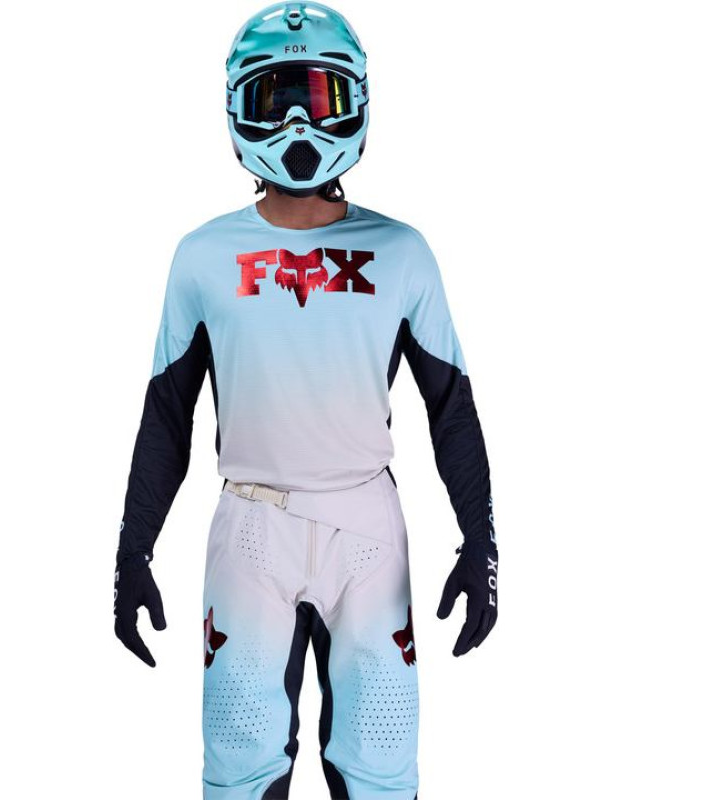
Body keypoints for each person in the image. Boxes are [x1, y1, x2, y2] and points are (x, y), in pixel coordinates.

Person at [113, 4, 499, 798]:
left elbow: (451, 408)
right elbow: (167, 415)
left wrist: (481, 543)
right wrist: (133, 549)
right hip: (252, 528)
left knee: (382, 771)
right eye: (276, 98)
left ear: (356, 102)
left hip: (366, 529)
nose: (299, 122)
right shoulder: (202, 257)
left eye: (320, 98)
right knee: (239, 773)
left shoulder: (404, 253)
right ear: (238, 107)